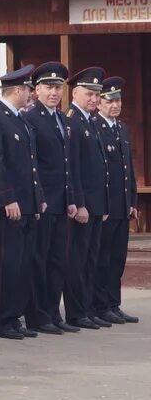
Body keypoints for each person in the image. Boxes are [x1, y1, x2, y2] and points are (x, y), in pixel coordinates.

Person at [0, 66, 45, 339]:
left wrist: (38, 198)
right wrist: (7, 198)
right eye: (29, 90)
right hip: (11, 206)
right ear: (18, 90)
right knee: (10, 264)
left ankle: (14, 317)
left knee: (24, 263)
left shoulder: (20, 119)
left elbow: (30, 165)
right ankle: (1, 320)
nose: (31, 95)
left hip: (28, 204)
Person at [22, 62, 78, 335]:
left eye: (57, 88)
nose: (54, 93)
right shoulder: (31, 117)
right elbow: (32, 163)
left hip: (61, 201)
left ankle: (53, 312)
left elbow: (67, 164)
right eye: (48, 87)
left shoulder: (62, 119)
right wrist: (39, 197)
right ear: (36, 90)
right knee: (39, 259)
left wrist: (72, 198)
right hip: (42, 201)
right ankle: (38, 315)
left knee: (57, 260)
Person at [63, 67, 110, 330]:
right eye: (89, 94)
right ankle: (76, 311)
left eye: (97, 95)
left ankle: (88, 307)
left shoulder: (89, 121)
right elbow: (73, 167)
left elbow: (98, 167)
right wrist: (79, 202)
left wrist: (100, 203)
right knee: (77, 260)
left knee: (91, 257)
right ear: (76, 92)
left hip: (95, 204)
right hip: (83, 205)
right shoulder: (72, 121)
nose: (94, 99)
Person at [93, 77, 139, 324]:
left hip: (122, 206)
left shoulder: (120, 128)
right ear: (99, 102)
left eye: (118, 100)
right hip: (106, 207)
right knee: (102, 257)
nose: (114, 105)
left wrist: (132, 200)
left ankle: (113, 303)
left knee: (117, 258)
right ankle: (100, 305)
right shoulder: (96, 127)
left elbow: (127, 169)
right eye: (109, 101)